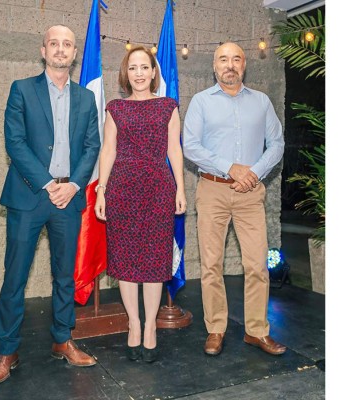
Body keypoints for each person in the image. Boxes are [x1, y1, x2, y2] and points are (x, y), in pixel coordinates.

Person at [0, 25, 101, 386]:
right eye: (55, 43)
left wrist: (74, 185)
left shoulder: (85, 98)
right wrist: (49, 184)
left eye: (67, 44)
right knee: (15, 276)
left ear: (74, 52)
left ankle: (63, 340)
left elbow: (91, 146)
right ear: (44, 49)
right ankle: (7, 350)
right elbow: (15, 142)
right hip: (29, 195)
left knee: (65, 275)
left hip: (69, 198)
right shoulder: (22, 89)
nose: (61, 50)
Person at [183, 42, 286, 357]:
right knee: (211, 264)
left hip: (250, 193)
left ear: (244, 65)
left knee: (257, 265)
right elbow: (190, 146)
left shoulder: (262, 102)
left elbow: (277, 144)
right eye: (223, 59)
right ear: (214, 66)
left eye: (236, 59)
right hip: (212, 190)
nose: (230, 65)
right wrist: (230, 167)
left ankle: (257, 331)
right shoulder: (201, 102)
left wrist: (253, 173)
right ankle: (216, 328)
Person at [94, 46, 186, 363]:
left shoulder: (168, 106)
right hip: (122, 190)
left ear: (153, 72)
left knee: (153, 263)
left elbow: (175, 150)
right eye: (132, 68)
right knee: (127, 262)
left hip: (159, 189)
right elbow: (107, 151)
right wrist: (101, 191)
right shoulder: (115, 108)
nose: (138, 73)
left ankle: (150, 328)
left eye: (144, 67)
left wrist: (180, 189)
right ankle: (134, 324)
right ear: (126, 73)